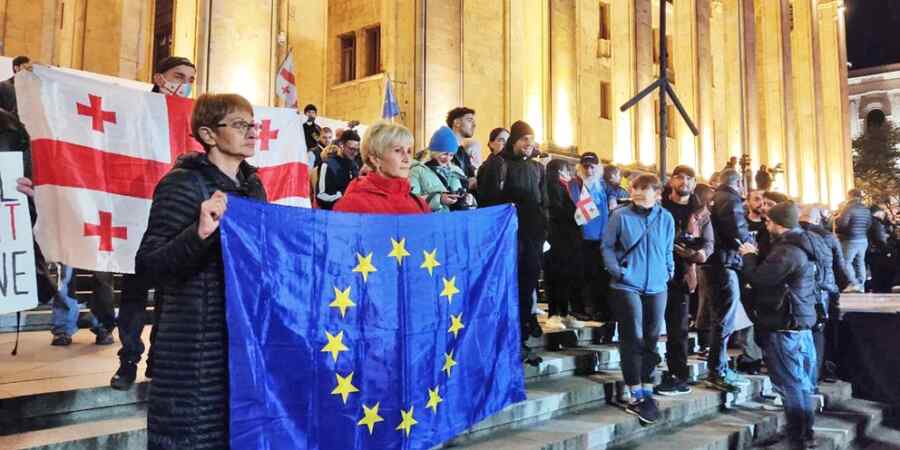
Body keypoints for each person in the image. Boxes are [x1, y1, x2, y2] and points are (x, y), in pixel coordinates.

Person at [137, 93, 266, 450]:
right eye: (240, 125)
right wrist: (199, 233)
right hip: (191, 351)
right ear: (209, 134)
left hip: (241, 343)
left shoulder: (254, 188)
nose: (252, 132)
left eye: (252, 124)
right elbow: (150, 265)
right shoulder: (182, 184)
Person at [111, 56, 198, 390]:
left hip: (174, 220)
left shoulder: (192, 119)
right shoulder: (135, 113)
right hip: (135, 216)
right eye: (179, 76)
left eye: (191, 77)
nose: (186, 82)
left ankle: (158, 361)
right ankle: (128, 360)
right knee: (133, 294)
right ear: (160, 78)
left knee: (168, 297)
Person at [739, 202, 819, 450]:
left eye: (769, 221)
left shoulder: (787, 252)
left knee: (790, 385)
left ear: (779, 223)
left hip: (785, 324)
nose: (766, 225)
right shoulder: (803, 244)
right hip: (799, 323)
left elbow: (761, 278)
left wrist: (749, 256)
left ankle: (799, 439)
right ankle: (805, 434)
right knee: (800, 383)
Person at [601, 173, 674, 424]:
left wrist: (669, 269)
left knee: (653, 338)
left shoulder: (666, 218)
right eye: (637, 188)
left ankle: (648, 386)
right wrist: (617, 270)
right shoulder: (620, 215)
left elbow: (667, 247)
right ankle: (635, 392)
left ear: (657, 193)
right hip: (626, 285)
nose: (641, 193)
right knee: (633, 335)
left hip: (657, 285)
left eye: (647, 189)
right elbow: (607, 246)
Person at [477, 120, 548, 365]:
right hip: (507, 239)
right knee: (505, 288)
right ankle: (501, 342)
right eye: (524, 139)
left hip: (532, 240)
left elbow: (543, 202)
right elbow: (487, 201)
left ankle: (520, 340)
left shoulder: (538, 169)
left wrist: (541, 232)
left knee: (526, 290)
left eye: (532, 139)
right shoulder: (498, 164)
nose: (529, 144)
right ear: (514, 141)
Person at [657, 165, 713, 396]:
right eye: (680, 177)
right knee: (649, 327)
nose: (685, 182)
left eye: (690, 178)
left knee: (678, 329)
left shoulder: (700, 212)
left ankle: (678, 375)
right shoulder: (659, 206)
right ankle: (645, 372)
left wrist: (700, 254)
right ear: (671, 181)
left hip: (682, 273)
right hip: (655, 270)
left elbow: (709, 242)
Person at [706, 169, 753, 392]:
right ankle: (718, 370)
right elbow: (737, 231)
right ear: (738, 182)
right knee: (725, 317)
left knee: (721, 315)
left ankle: (718, 367)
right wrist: (751, 247)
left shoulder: (715, 198)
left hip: (716, 262)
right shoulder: (731, 200)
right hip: (725, 263)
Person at [800, 204, 851, 383]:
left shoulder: (794, 234)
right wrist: (844, 284)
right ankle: (822, 370)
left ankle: (808, 373)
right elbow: (840, 265)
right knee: (822, 332)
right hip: (824, 289)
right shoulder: (827, 236)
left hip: (803, 289)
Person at [334, 121, 428, 214]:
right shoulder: (351, 206)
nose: (407, 159)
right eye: (398, 150)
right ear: (375, 159)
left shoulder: (420, 204)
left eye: (408, 151)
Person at [543, 159, 585, 330]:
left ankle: (565, 312)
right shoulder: (551, 185)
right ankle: (554, 313)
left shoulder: (573, 186)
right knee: (556, 276)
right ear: (562, 171)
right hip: (556, 237)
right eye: (569, 170)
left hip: (572, 238)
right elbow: (556, 210)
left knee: (568, 277)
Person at [575, 153, 611, 326]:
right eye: (586, 166)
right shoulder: (577, 185)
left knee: (599, 276)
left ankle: (599, 308)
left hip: (600, 238)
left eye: (592, 166)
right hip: (584, 238)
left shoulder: (601, 187)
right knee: (587, 275)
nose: (589, 170)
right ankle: (589, 308)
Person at [408, 126, 468, 212]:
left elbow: (460, 200)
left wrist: (467, 200)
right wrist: (439, 199)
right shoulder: (416, 171)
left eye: (451, 155)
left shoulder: (454, 172)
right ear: (434, 152)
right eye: (444, 154)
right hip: (431, 222)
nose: (448, 159)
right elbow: (411, 202)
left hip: (452, 221)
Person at [834, 189, 872, 293]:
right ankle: (861, 284)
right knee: (860, 262)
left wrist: (836, 220)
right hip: (863, 239)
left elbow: (842, 224)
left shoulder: (848, 208)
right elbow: (869, 224)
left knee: (845, 262)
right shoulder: (865, 209)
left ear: (850, 196)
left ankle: (854, 283)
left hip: (850, 239)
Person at [316, 129, 360, 210]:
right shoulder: (327, 165)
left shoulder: (354, 165)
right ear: (341, 145)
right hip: (331, 214)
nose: (355, 153)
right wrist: (345, 194)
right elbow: (321, 196)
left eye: (357, 150)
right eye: (351, 149)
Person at [446, 107, 477, 189]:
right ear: (457, 123)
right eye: (469, 120)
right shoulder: (443, 150)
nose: (474, 125)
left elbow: (472, 178)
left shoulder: (462, 152)